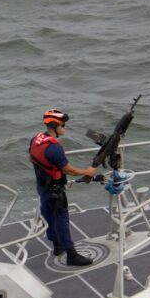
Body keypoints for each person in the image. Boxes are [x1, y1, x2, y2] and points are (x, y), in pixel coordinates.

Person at [30, 109, 101, 266]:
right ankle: (71, 255)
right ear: (55, 126)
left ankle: (57, 246)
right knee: (61, 220)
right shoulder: (54, 148)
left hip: (42, 187)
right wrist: (87, 171)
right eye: (63, 124)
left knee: (48, 215)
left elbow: (33, 158)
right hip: (55, 190)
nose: (65, 127)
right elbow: (69, 170)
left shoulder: (36, 140)